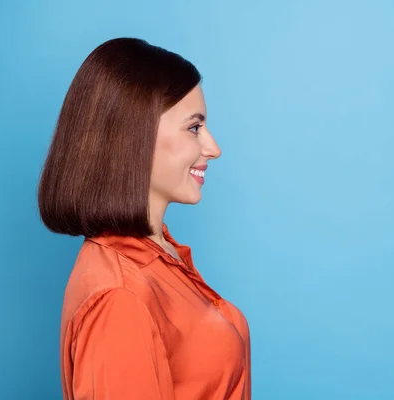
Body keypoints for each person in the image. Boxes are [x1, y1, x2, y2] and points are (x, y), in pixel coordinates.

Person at [37, 37, 251, 399]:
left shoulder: (159, 258)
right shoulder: (120, 295)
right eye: (194, 127)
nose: (213, 149)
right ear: (135, 134)